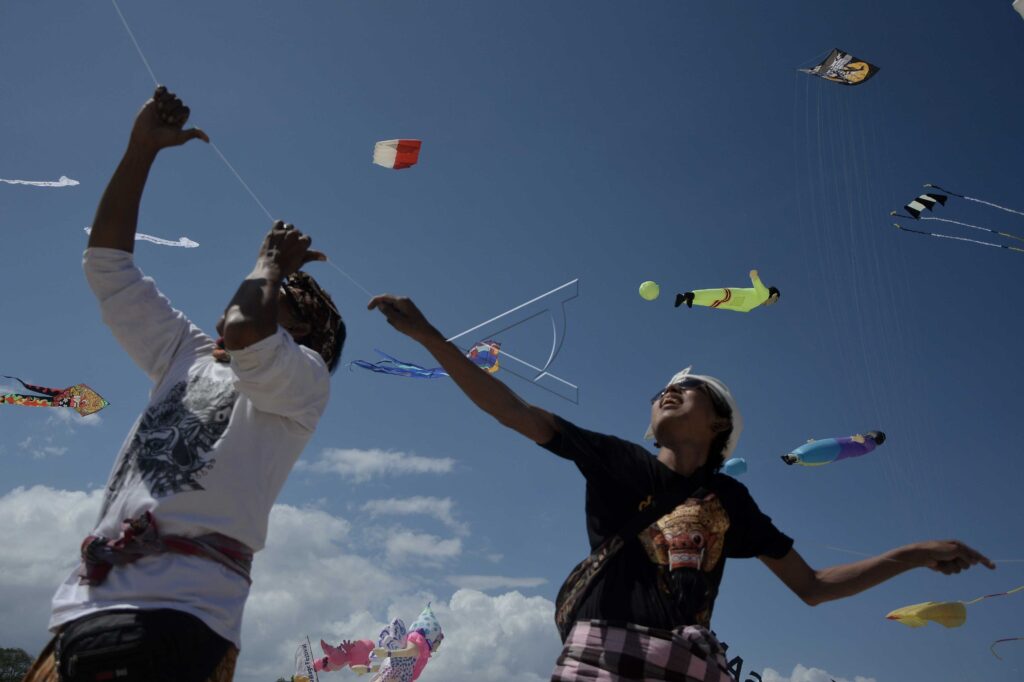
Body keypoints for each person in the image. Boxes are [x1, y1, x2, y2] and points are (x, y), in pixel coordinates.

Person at [366, 294, 994, 681]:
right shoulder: (617, 461)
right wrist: (430, 337)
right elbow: (512, 410)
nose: (669, 389)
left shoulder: (732, 502)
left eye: (689, 389)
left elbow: (812, 587)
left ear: (719, 422)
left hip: (687, 666)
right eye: (664, 388)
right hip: (599, 661)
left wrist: (909, 555)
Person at [21, 86, 345, 682]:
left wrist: (272, 262)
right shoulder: (188, 355)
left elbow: (247, 327)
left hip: (178, 621)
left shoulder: (303, 384)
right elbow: (107, 266)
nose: (249, 291)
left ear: (309, 340)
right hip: (80, 614)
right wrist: (140, 150)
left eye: (283, 299)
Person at [675, 269, 779, 312]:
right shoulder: (765, 294)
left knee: (709, 300)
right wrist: (754, 277)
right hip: (733, 297)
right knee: (710, 298)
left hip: (731, 302)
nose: (772, 303)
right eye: (775, 300)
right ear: (773, 295)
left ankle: (686, 297)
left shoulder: (757, 303)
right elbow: (759, 286)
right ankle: (688, 296)